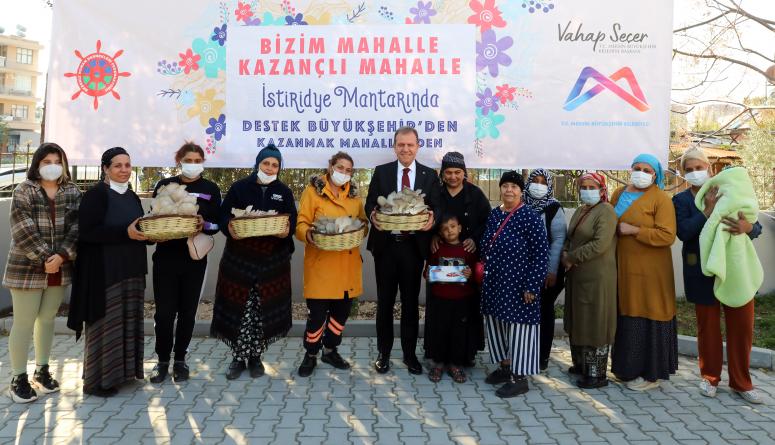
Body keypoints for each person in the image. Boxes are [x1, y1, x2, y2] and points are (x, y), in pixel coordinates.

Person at [673, 148, 764, 404]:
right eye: (688, 169)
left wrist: (748, 228)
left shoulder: (730, 190)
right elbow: (684, 233)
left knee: (742, 326)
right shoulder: (680, 201)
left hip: (735, 269)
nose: (694, 173)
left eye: (698, 167)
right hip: (701, 270)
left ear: (710, 168)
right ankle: (710, 377)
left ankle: (741, 383)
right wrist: (707, 211)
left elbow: (752, 219)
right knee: (708, 328)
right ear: (682, 173)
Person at [210, 144, 297, 380]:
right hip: (240, 259)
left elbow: (293, 223)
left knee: (261, 310)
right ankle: (238, 358)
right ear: (258, 164)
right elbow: (223, 215)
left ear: (280, 168)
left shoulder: (284, 192)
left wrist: (285, 232)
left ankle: (256, 356)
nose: (269, 168)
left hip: (272, 262)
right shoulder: (239, 188)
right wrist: (230, 226)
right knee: (241, 308)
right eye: (266, 163)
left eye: (275, 165)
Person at [68, 147, 148, 397]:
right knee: (106, 325)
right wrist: (125, 233)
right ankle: (96, 382)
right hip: (106, 273)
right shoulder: (96, 196)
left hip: (132, 270)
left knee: (128, 321)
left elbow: (138, 229)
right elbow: (88, 232)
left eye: (127, 165)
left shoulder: (133, 197)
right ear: (105, 169)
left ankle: (123, 374)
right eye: (118, 165)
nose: (124, 170)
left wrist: (152, 235)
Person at [3, 143, 80, 403]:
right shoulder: (24, 190)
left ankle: (42, 370)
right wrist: (47, 257)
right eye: (46, 161)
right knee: (23, 322)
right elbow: (21, 228)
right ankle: (18, 378)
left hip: (60, 265)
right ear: (37, 164)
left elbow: (77, 228)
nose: (52, 166)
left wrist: (62, 256)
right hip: (27, 267)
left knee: (47, 318)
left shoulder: (72, 191)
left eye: (57, 160)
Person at [365, 127, 441, 375]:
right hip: (386, 248)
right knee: (384, 303)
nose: (405, 149)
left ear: (418, 146)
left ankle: (410, 355)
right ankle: (383, 354)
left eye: (410, 145)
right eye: (401, 145)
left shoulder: (429, 176)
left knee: (410, 304)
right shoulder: (382, 172)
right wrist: (373, 215)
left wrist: (433, 218)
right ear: (394, 146)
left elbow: (436, 207)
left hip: (413, 248)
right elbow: (369, 204)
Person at [149, 142, 222, 384]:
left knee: (188, 312)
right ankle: (161, 361)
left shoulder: (211, 188)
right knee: (164, 313)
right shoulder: (164, 185)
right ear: (179, 160)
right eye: (188, 160)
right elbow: (154, 216)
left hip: (194, 259)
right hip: (165, 258)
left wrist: (204, 224)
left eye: (197, 160)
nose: (193, 164)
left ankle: (180, 360)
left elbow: (216, 225)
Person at [294, 151, 368, 377]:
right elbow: (301, 224)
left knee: (340, 314)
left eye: (348, 170)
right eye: (340, 168)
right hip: (320, 265)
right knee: (317, 315)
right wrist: (310, 235)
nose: (343, 173)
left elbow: (363, 223)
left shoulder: (354, 197)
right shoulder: (312, 193)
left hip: (347, 266)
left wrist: (360, 231)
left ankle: (330, 349)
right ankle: (311, 354)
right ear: (330, 167)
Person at [610, 154, 678, 391]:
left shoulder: (661, 199)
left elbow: (667, 235)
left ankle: (651, 375)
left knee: (650, 313)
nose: (641, 172)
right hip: (624, 268)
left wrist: (634, 230)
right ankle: (626, 369)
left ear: (656, 175)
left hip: (652, 272)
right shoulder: (619, 193)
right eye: (637, 168)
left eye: (647, 170)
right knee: (628, 314)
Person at [480, 171, 548, 398]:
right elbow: (486, 241)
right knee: (497, 324)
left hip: (520, 285)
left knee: (521, 329)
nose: (509, 190)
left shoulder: (529, 217)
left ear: (521, 191)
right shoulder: (494, 214)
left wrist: (532, 286)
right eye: (505, 185)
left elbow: (541, 254)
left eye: (514, 187)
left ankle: (520, 379)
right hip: (496, 281)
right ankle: (505, 367)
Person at [427, 151, 491, 366]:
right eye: (448, 172)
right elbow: (426, 218)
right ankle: (437, 354)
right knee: (439, 309)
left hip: (467, 262)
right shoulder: (435, 194)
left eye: (457, 172)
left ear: (464, 173)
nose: (453, 177)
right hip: (441, 259)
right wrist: (434, 235)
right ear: (442, 174)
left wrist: (474, 238)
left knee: (466, 309)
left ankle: (465, 353)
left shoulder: (476, 195)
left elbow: (487, 223)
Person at [561, 172, 617, 389]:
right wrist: (566, 253)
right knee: (579, 318)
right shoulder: (580, 210)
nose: (587, 190)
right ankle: (582, 365)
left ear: (602, 190)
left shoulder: (607, 212)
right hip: (577, 275)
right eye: (583, 186)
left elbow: (600, 244)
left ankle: (597, 374)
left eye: (592, 187)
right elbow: (570, 237)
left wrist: (572, 257)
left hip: (597, 277)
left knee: (596, 321)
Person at [424, 214, 478, 383]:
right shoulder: (437, 249)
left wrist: (470, 274)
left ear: (460, 228)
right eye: (445, 229)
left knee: (458, 333)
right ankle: (438, 363)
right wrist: (430, 274)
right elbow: (428, 271)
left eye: (453, 227)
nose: (450, 231)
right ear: (440, 232)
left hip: (462, 300)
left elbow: (474, 273)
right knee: (439, 331)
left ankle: (456, 364)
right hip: (440, 300)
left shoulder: (468, 250)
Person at [524, 169, 567, 371]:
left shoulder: (554, 208)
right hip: (523, 270)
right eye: (535, 181)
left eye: (543, 182)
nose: (538, 185)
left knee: (544, 311)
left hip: (547, 273)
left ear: (549, 186)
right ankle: (525, 352)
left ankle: (541, 356)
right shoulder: (520, 202)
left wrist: (550, 271)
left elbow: (558, 241)